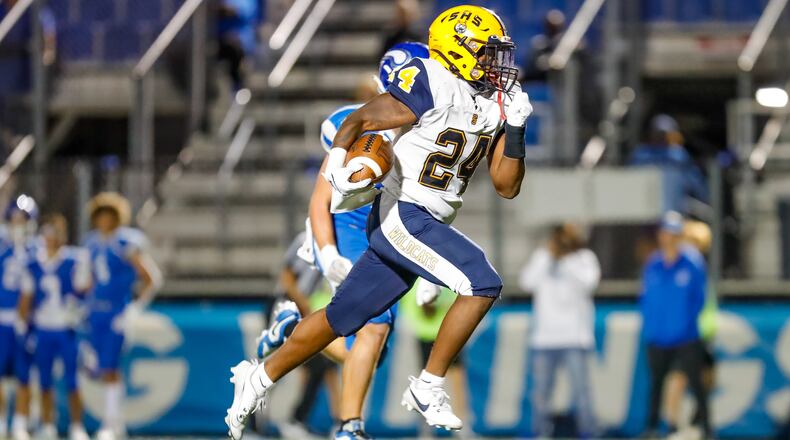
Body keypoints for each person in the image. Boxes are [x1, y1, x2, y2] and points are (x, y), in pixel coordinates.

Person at [225, 5, 532, 438]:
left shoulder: (495, 102)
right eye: (486, 51)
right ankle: (428, 385)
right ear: (457, 49)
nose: (495, 62)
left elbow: (506, 185)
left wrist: (515, 129)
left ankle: (258, 378)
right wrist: (337, 163)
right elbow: (361, 119)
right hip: (402, 212)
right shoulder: (431, 80)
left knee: (341, 317)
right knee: (481, 282)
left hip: (429, 220)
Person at [254, 41, 430, 440]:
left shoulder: (431, 126)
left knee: (370, 352)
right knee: (374, 330)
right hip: (350, 227)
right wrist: (329, 252)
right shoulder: (354, 124)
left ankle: (295, 329)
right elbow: (321, 201)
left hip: (389, 234)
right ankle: (350, 428)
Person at [83, 193, 162, 440]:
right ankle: (115, 422)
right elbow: (88, 280)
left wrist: (134, 308)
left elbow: (152, 278)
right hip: (94, 313)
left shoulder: (125, 242)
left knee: (110, 367)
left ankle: (111, 422)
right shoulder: (91, 243)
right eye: (101, 215)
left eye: (109, 215)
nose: (104, 220)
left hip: (116, 313)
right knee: (96, 367)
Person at [519, 223, 600, 437]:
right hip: (544, 338)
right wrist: (549, 257)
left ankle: (588, 433)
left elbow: (588, 284)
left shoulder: (584, 258)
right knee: (541, 393)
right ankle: (540, 433)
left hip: (575, 337)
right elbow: (526, 283)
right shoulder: (542, 257)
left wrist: (565, 260)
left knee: (581, 392)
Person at [256, 232, 339, 438]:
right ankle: (267, 423)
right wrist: (304, 306)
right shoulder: (307, 238)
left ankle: (291, 421)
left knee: (315, 365)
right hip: (285, 308)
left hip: (300, 308)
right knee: (278, 364)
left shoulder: (333, 241)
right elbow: (286, 276)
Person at [16, 214, 90, 440]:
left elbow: (85, 291)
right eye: (48, 232)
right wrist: (22, 325)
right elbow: (26, 298)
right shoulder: (32, 263)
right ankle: (47, 424)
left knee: (72, 380)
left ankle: (77, 425)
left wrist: (78, 311)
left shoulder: (74, 260)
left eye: (56, 232)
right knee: (44, 381)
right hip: (42, 328)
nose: (51, 237)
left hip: (66, 328)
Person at [640, 211, 710, 437]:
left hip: (686, 336)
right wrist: (651, 327)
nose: (668, 238)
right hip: (658, 337)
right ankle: (652, 428)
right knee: (656, 385)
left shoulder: (692, 262)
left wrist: (686, 326)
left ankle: (707, 428)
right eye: (665, 233)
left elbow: (699, 298)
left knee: (696, 384)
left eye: (673, 234)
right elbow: (646, 298)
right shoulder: (653, 264)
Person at [663, 220, 717, 437]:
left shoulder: (697, 266)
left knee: (707, 379)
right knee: (678, 377)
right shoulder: (680, 265)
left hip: (703, 333)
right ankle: (672, 424)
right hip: (686, 333)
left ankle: (698, 421)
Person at [400, 280, 469, 436]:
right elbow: (425, 308)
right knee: (426, 382)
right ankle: (427, 428)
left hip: (445, 330)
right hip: (428, 331)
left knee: (454, 377)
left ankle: (461, 424)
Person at [0, 195, 38, 440]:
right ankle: (1, 421)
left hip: (26, 321)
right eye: (13, 219)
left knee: (24, 375)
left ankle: (20, 423)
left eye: (22, 219)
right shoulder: (2, 247)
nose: (17, 224)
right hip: (1, 318)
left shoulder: (38, 249)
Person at [628, 115, 709, 215]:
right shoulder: (641, 153)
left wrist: (704, 197)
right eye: (658, 133)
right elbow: (631, 180)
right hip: (643, 208)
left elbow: (694, 180)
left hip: (675, 207)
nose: (661, 137)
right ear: (651, 134)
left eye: (665, 134)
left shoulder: (678, 154)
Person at [217, 0, 260, 91]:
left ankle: (238, 87)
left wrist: (226, 10)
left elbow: (244, 12)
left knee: (234, 49)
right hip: (219, 39)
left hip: (240, 42)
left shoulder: (248, 2)